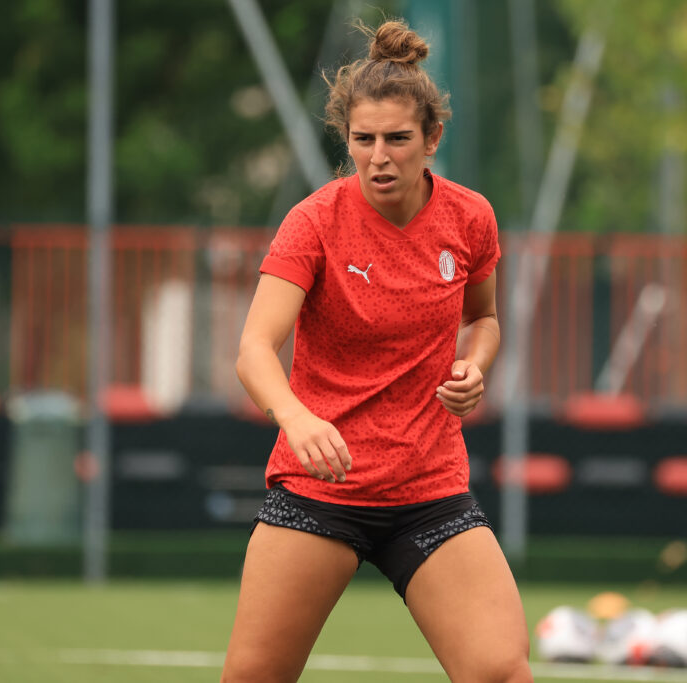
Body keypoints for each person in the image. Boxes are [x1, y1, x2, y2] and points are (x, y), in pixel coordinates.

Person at [220, 18, 533, 683]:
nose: (379, 157)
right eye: (363, 140)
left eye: (397, 139)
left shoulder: (469, 217)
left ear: (432, 139)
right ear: (348, 139)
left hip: (429, 487)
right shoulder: (314, 221)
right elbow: (253, 349)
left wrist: (474, 366)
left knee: (501, 671)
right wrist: (297, 418)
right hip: (321, 487)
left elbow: (484, 319)